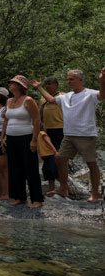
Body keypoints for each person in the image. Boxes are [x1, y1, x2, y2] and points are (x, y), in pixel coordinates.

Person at [31, 68, 105, 203]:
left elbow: (102, 95)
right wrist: (39, 88)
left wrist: (102, 81)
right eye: (68, 79)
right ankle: (63, 188)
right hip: (69, 134)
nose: (69, 82)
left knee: (91, 163)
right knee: (60, 158)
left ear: (81, 80)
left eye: (72, 79)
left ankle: (95, 194)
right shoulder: (67, 96)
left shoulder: (90, 94)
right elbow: (51, 100)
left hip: (85, 134)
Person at [0, 75, 43, 208]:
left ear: (19, 86)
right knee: (14, 167)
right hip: (11, 138)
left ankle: (37, 199)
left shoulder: (28, 100)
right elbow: (6, 119)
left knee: (30, 168)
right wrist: (2, 137)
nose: (10, 85)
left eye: (12, 83)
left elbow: (37, 120)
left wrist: (34, 140)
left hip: (26, 136)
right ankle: (20, 196)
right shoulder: (9, 101)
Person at [37, 76, 65, 196]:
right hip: (47, 130)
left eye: (49, 84)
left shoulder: (63, 96)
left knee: (60, 158)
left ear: (56, 85)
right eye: (46, 84)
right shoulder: (43, 99)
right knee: (48, 158)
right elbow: (40, 115)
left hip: (61, 129)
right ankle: (52, 188)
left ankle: (66, 187)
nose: (47, 86)